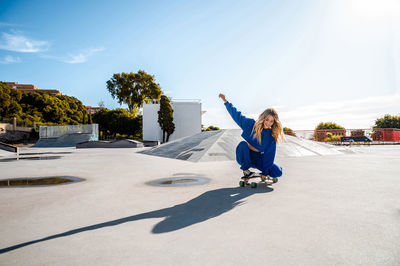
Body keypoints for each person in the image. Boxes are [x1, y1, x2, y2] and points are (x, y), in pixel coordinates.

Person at [219, 93, 283, 179]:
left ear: (274, 122)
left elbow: (269, 156)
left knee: (277, 172)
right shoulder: (250, 124)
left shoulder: (271, 137)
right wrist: (226, 102)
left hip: (259, 159)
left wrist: (265, 172)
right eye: (267, 119)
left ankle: (266, 170)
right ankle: (246, 170)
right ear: (263, 118)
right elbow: (237, 116)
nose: (268, 123)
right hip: (246, 156)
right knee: (243, 145)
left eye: (271, 121)